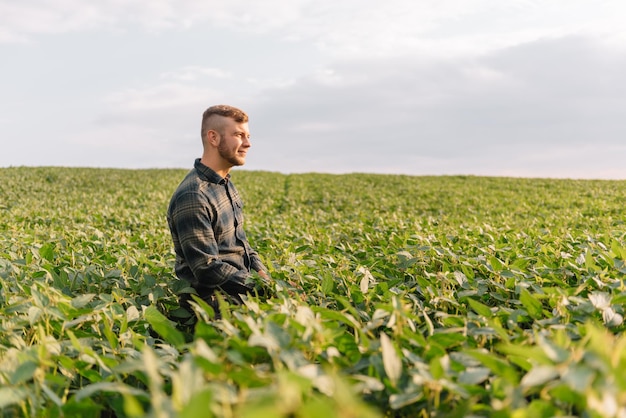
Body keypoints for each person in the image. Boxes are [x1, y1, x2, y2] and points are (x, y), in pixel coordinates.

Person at [167, 104, 270, 319]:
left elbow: (242, 245)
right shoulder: (194, 195)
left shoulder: (224, 184)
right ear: (213, 138)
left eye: (247, 135)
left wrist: (264, 276)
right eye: (239, 135)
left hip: (241, 294)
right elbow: (207, 269)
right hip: (214, 309)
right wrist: (264, 290)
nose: (248, 143)